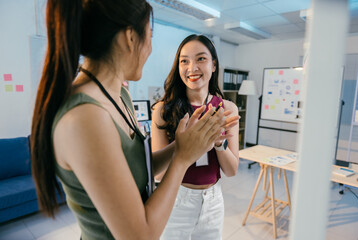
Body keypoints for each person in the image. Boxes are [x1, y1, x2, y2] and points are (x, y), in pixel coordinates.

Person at [30, 1, 233, 239]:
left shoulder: (119, 95)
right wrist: (182, 159)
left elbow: (138, 165)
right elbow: (140, 236)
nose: (150, 48)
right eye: (150, 36)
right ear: (129, 38)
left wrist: (184, 144)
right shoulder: (84, 118)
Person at [151, 34, 240, 239]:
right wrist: (188, 143)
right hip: (175, 199)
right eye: (184, 61)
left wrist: (218, 143)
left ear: (214, 65)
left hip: (213, 202)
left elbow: (232, 170)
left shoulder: (227, 109)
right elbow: (157, 175)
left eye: (201, 58)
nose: (192, 67)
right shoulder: (163, 110)